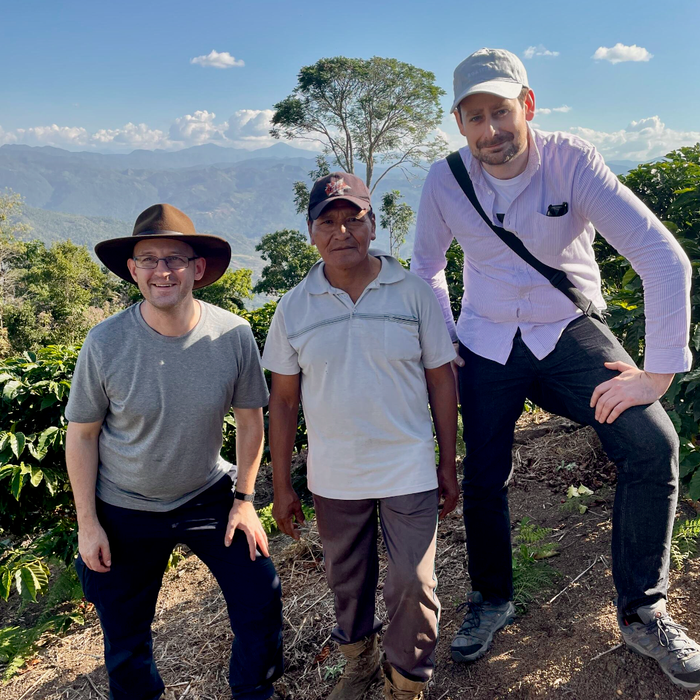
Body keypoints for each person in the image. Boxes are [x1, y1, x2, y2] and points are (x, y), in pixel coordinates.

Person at [411, 47, 700, 691]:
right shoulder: (445, 180)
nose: (491, 131)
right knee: (483, 473)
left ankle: (643, 610)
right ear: (459, 122)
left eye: (502, 112)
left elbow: (663, 257)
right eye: (475, 117)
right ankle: (491, 598)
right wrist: (448, 339)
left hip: (566, 327)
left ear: (528, 106)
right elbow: (426, 267)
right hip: (485, 337)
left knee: (652, 445)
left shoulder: (572, 160)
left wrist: (655, 374)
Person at [65, 203, 284, 700]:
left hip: (208, 494)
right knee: (125, 638)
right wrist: (88, 523)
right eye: (150, 259)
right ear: (132, 270)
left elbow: (251, 420)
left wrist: (245, 501)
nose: (163, 271)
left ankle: (254, 692)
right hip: (124, 504)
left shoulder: (232, 335)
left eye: (175, 259)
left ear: (198, 268)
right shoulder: (105, 343)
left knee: (260, 598)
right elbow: (80, 436)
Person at [262, 172, 458, 700]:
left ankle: (406, 681)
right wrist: (282, 486)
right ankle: (360, 661)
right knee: (347, 582)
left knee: (412, 583)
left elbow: (442, 377)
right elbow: (281, 403)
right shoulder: (294, 308)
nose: (342, 230)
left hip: (409, 466)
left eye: (354, 218)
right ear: (310, 232)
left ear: (373, 225)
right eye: (328, 221)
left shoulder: (412, 292)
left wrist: (447, 461)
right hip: (335, 475)